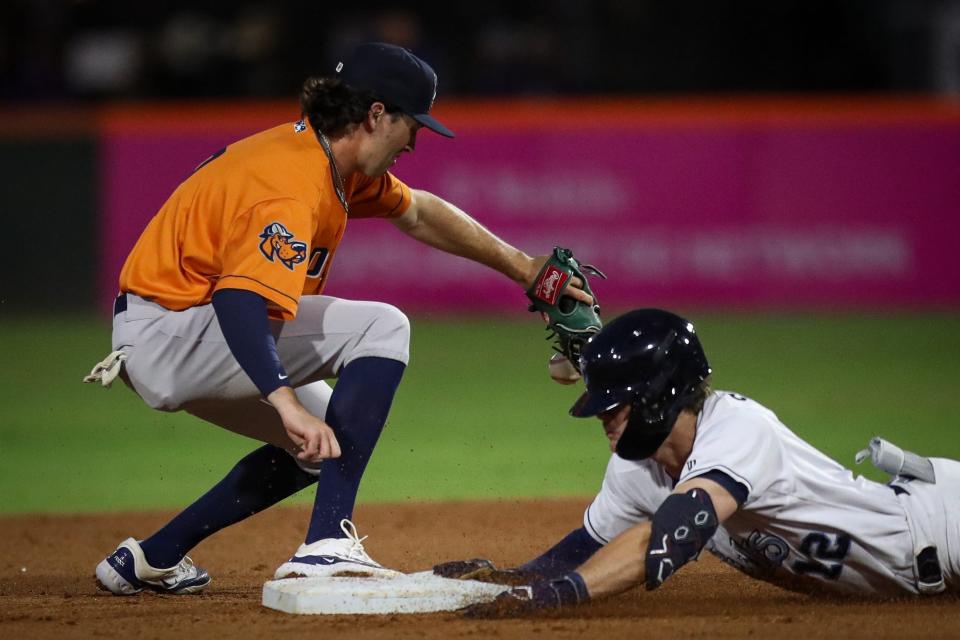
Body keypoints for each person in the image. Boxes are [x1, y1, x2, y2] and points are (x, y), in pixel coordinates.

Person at [85, 41, 592, 596]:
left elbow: (420, 213)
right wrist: (281, 398)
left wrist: (522, 267)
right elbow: (239, 300)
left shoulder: (328, 161)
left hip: (170, 331)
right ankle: (326, 545)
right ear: (376, 115)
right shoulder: (290, 183)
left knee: (330, 443)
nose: (416, 142)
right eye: (412, 125)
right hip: (177, 330)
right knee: (382, 327)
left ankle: (149, 558)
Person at [441, 308, 959, 616]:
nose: (602, 417)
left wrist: (559, 597)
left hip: (942, 526)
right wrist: (509, 577)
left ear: (659, 397)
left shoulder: (738, 430)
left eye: (615, 404)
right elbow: (581, 552)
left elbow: (675, 531)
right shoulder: (635, 466)